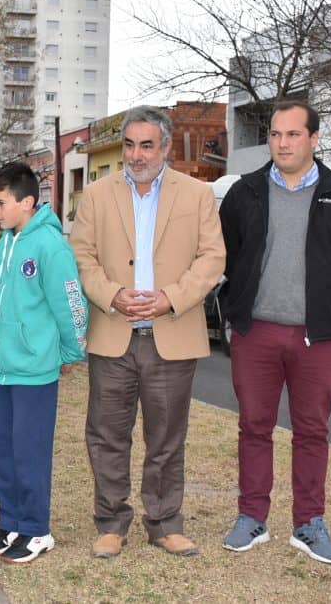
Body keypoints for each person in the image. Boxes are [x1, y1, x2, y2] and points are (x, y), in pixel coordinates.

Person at [219, 101, 331, 565]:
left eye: (292, 134)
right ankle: (251, 517)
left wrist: (328, 296)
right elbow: (225, 253)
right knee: (254, 427)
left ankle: (308, 524)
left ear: (313, 138)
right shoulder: (244, 193)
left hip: (318, 337)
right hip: (256, 333)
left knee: (311, 431)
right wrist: (236, 302)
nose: (282, 143)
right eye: (275, 134)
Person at [69, 106, 225, 559]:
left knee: (167, 438)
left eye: (146, 145)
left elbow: (212, 259)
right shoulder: (96, 195)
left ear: (166, 147)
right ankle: (111, 522)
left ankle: (164, 522)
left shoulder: (198, 195)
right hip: (112, 333)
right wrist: (113, 294)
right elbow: (81, 258)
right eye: (130, 145)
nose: (136, 155)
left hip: (171, 334)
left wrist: (171, 298)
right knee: (106, 434)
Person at [0, 162, 88, 564]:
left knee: (29, 452)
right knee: (2, 450)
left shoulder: (49, 245)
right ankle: (9, 523)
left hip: (35, 371)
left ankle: (36, 529)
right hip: (2, 368)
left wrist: (71, 352)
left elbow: (71, 304)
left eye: (0, 203)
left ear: (27, 202)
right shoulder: (6, 241)